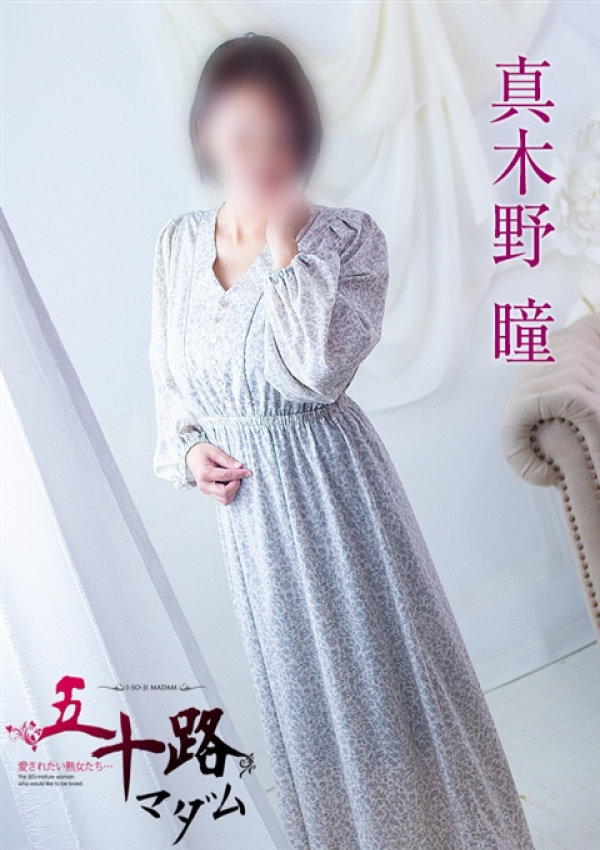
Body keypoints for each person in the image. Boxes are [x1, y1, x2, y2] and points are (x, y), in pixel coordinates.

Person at [150, 33, 534, 850]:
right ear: (205, 132)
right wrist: (186, 452)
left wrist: (286, 248)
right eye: (242, 134)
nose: (263, 155)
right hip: (254, 528)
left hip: (337, 497)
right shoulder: (178, 245)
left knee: (391, 692)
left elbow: (318, 372)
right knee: (308, 712)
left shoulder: (347, 238)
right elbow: (170, 382)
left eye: (281, 135)